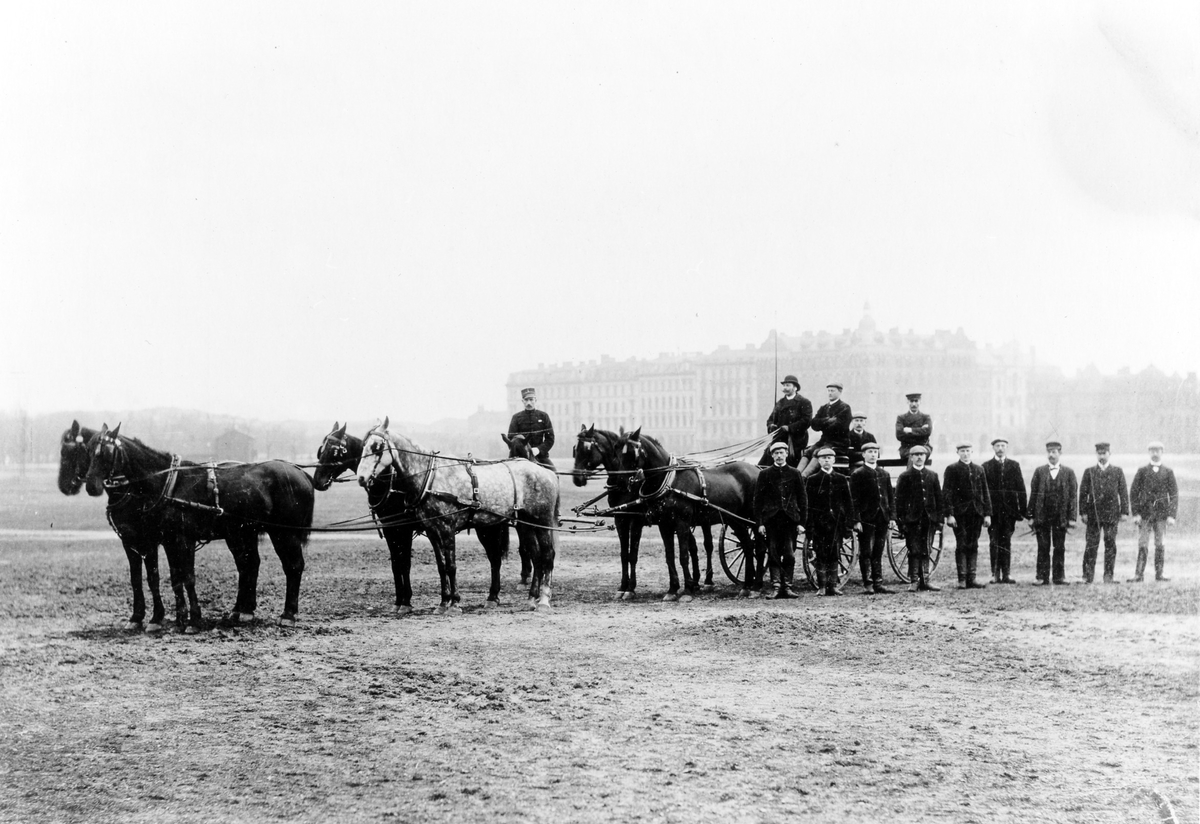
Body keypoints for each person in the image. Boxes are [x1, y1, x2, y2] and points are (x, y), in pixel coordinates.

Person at [754, 441, 809, 598]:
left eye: (781, 452)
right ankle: (777, 587)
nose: (779, 456)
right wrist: (760, 523)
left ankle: (788, 586)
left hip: (790, 520)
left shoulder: (795, 473)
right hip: (771, 520)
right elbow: (758, 501)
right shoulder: (764, 474)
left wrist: (801, 523)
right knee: (773, 553)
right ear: (772, 455)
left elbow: (803, 499)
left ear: (786, 454)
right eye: (776, 453)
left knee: (790, 554)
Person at [804, 446, 860, 595]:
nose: (826, 461)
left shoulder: (841, 479)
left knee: (835, 554)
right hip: (819, 524)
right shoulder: (812, 480)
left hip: (836, 524)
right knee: (821, 553)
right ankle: (822, 587)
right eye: (823, 458)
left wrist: (848, 525)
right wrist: (809, 527)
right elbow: (808, 506)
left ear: (834, 460)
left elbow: (848, 503)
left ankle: (833, 586)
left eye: (829, 458)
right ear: (819, 461)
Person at [942, 442, 993, 589]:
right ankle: (962, 579)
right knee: (962, 544)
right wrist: (950, 514)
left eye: (968, 451)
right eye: (962, 451)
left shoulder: (979, 469)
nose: (965, 453)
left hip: (976, 513)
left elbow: (985, 492)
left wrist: (987, 514)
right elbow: (947, 493)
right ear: (957, 452)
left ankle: (972, 577)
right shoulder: (952, 469)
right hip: (960, 514)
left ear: (972, 452)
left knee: (973, 544)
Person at [1027, 441, 1078, 585]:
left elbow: (1073, 497)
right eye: (1049, 452)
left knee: (1059, 547)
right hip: (1042, 516)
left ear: (1060, 453)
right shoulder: (1039, 471)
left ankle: (1058, 577)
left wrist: (1072, 517)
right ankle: (1041, 577)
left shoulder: (1069, 472)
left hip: (1060, 517)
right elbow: (1033, 494)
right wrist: (1030, 516)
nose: (1051, 455)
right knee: (1043, 546)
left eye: (1054, 452)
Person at [1078, 442, 1130, 584]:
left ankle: (1108, 576)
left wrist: (1124, 511)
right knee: (1091, 544)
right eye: (1099, 453)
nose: (1102, 456)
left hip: (1111, 514)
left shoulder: (1117, 471)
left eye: (1104, 453)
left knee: (1110, 544)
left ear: (1109, 454)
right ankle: (1087, 576)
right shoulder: (1089, 472)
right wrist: (1083, 512)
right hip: (1093, 515)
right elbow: (1083, 494)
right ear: (1096, 454)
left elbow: (1123, 492)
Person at [1128, 441, 1179, 583]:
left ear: (1162, 452)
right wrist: (1136, 513)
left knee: (1160, 544)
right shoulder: (1142, 471)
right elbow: (1134, 493)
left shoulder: (1168, 472)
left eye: (1158, 450)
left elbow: (1174, 494)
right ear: (1149, 452)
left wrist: (1171, 515)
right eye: (1152, 450)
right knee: (1143, 543)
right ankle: (1138, 574)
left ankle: (1159, 574)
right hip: (1145, 515)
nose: (1155, 453)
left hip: (1162, 516)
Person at [894, 445, 942, 592]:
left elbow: (939, 499)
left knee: (926, 549)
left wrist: (939, 519)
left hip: (929, 519)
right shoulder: (905, 476)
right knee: (914, 550)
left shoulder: (933, 475)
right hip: (912, 520)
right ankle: (914, 580)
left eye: (922, 454)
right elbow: (899, 502)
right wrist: (901, 522)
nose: (920, 457)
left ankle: (925, 580)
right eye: (916, 455)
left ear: (926, 457)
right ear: (911, 457)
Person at [850, 442, 895, 594]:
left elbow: (890, 496)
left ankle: (878, 582)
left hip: (882, 517)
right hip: (866, 518)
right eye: (869, 452)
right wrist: (856, 520)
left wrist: (892, 517)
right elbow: (854, 499)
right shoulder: (858, 474)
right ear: (863, 455)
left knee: (878, 550)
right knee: (866, 551)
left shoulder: (884, 474)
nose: (873, 454)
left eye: (875, 451)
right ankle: (868, 583)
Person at [982, 438, 1026, 584]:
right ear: (993, 448)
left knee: (1006, 541)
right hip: (993, 512)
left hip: (1009, 512)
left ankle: (1006, 573)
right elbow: (983, 491)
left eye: (1003, 446)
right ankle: (995, 574)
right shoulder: (986, 466)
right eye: (997, 446)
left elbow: (1021, 489)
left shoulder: (1014, 465)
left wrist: (1022, 511)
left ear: (1006, 448)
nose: (1000, 448)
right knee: (994, 541)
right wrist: (986, 512)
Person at [757, 375, 812, 468]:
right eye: (784, 386)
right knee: (764, 462)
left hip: (796, 441)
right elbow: (770, 419)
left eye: (788, 385)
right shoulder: (780, 403)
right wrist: (771, 426)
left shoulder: (804, 402)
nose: (785, 388)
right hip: (779, 438)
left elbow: (806, 421)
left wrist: (790, 428)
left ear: (795, 388)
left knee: (792, 464)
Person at [799, 383, 852, 477]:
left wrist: (822, 423)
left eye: (833, 391)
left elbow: (840, 427)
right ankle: (797, 475)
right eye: (829, 391)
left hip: (839, 442)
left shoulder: (845, 408)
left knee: (817, 452)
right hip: (824, 440)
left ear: (840, 392)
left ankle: (803, 477)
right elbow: (814, 424)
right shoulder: (824, 408)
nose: (830, 393)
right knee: (808, 451)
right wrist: (828, 420)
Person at [507, 388, 555, 469]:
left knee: (554, 474)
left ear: (535, 400)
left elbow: (550, 439)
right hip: (520, 458)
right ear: (522, 401)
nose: (529, 402)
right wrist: (523, 449)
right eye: (526, 400)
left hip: (540, 457)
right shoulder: (516, 417)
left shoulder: (544, 416)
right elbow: (511, 438)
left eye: (531, 399)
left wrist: (539, 449)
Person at [895, 393, 933, 462]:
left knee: (918, 454)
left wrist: (910, 430)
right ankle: (913, 473)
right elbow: (899, 435)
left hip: (924, 447)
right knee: (913, 455)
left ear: (920, 402)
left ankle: (911, 473)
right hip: (907, 448)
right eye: (911, 401)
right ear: (907, 402)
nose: (914, 404)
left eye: (916, 401)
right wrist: (920, 431)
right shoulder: (901, 418)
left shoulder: (926, 417)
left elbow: (928, 432)